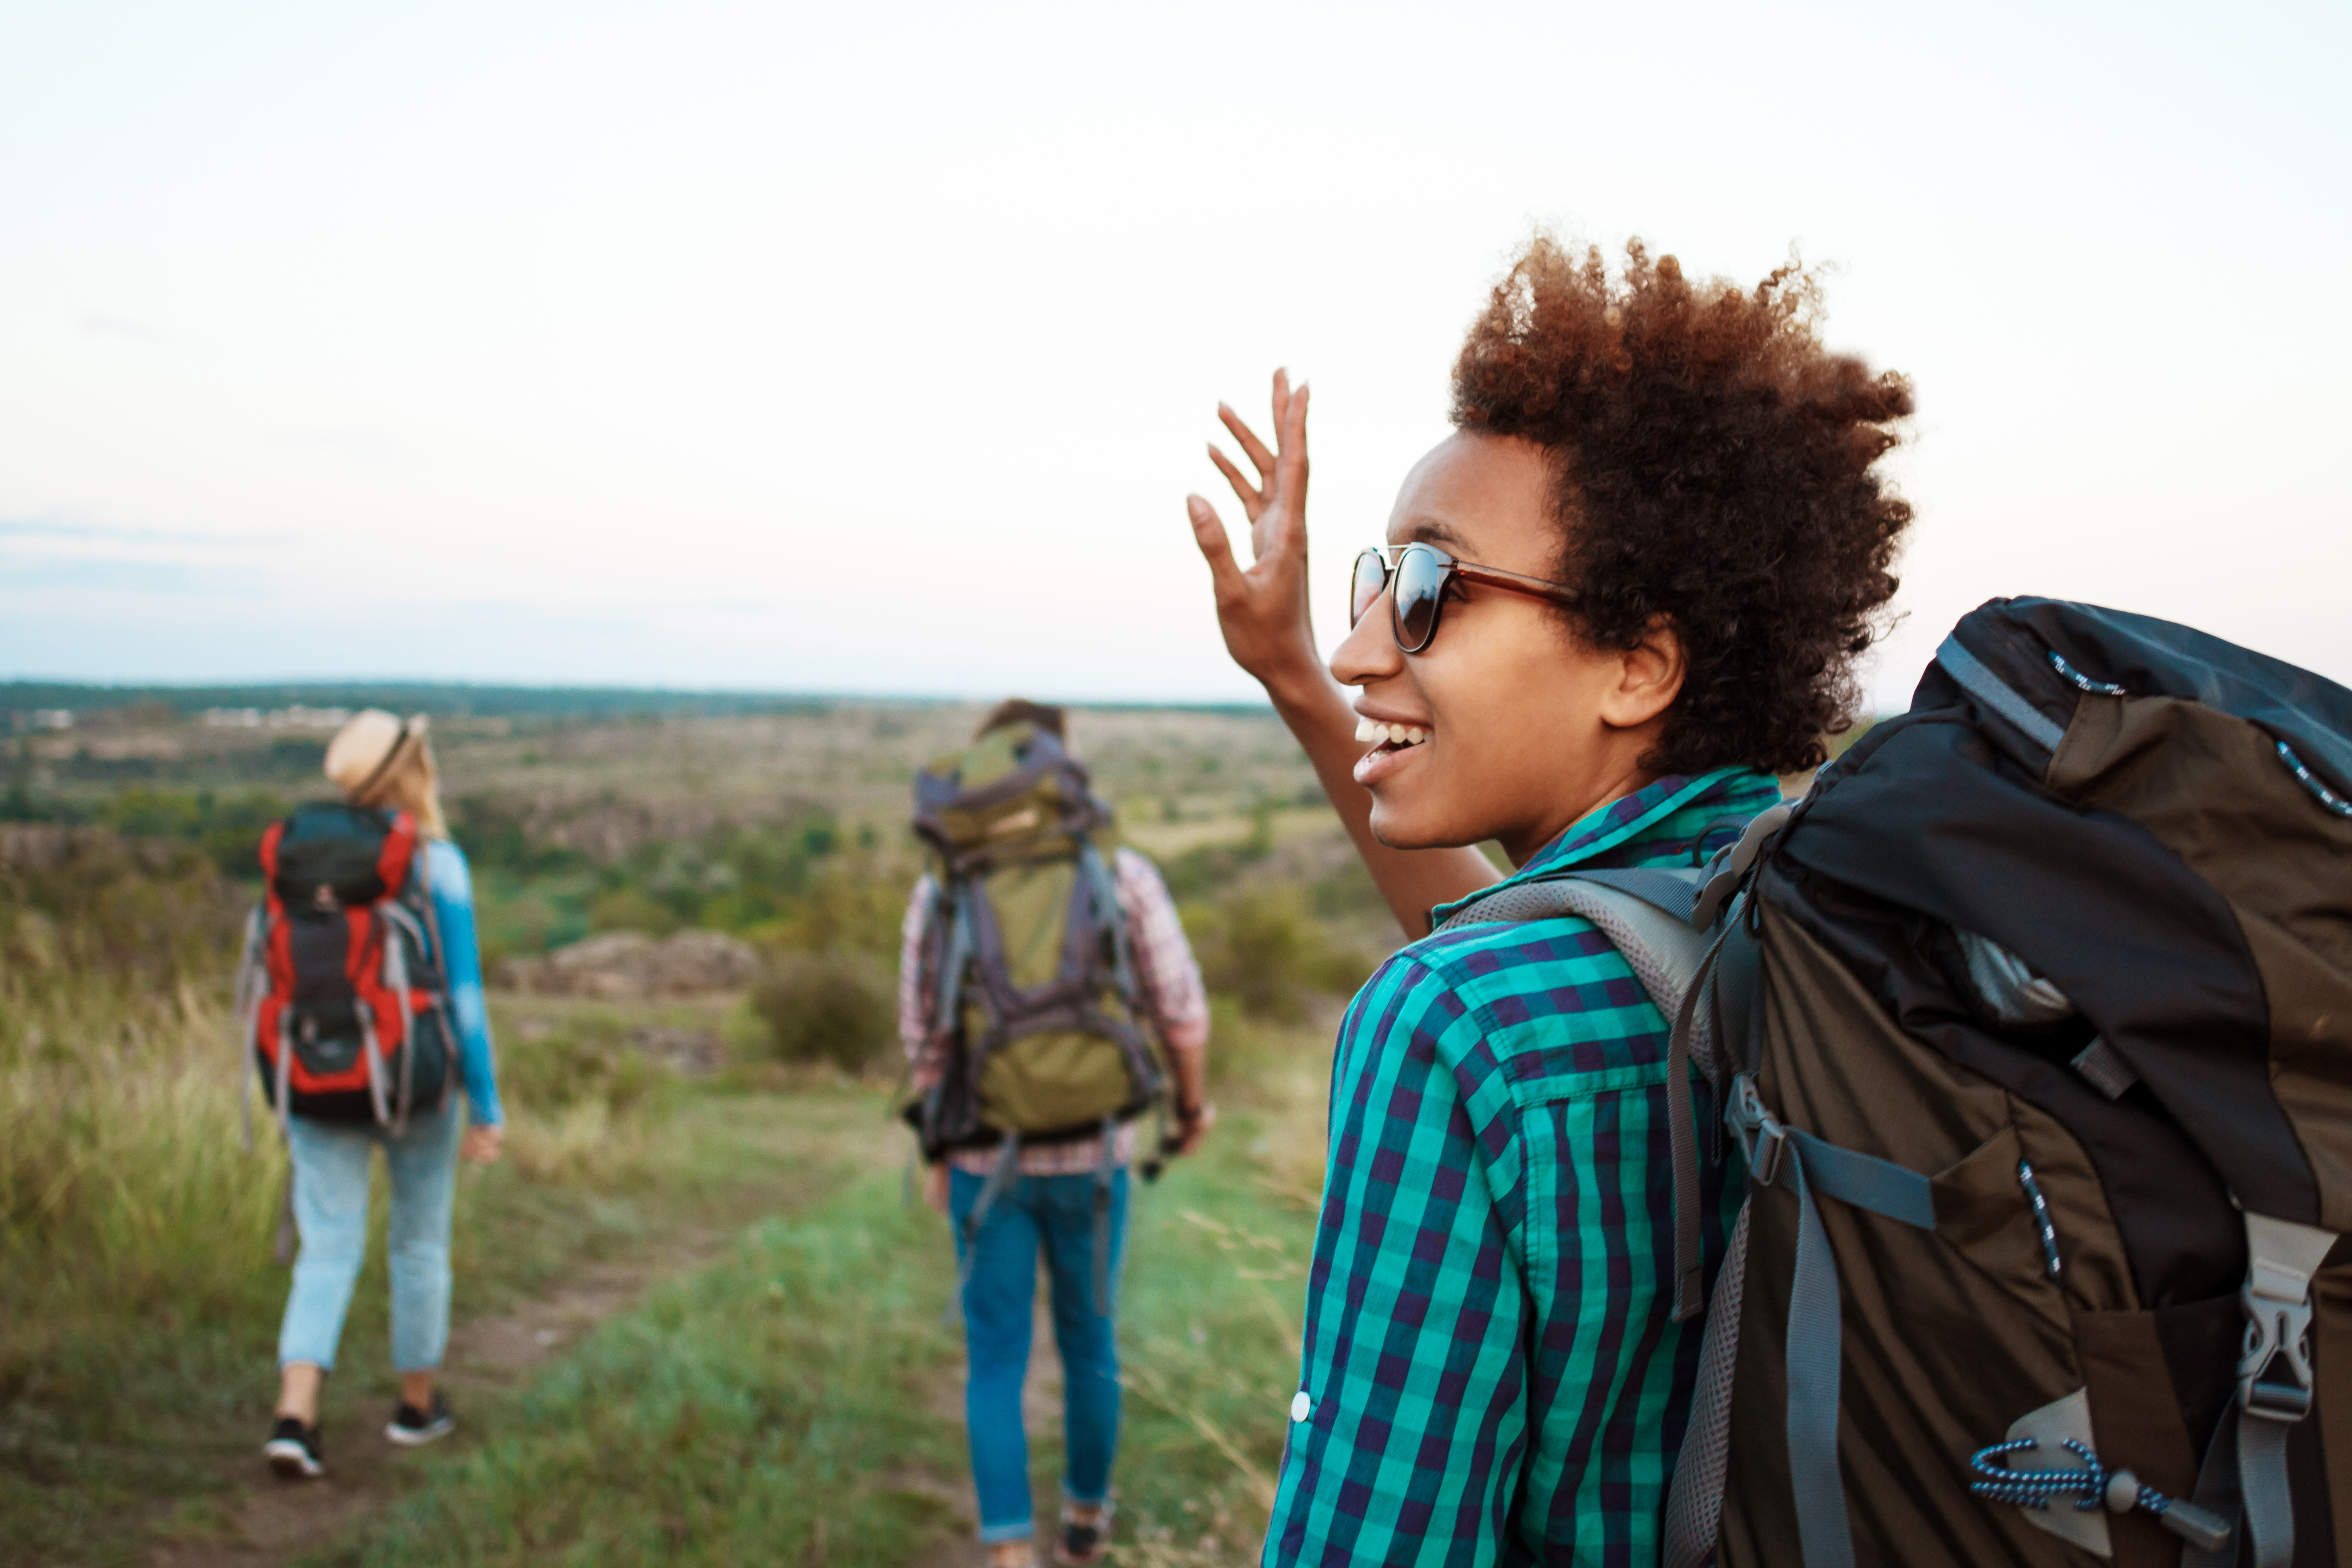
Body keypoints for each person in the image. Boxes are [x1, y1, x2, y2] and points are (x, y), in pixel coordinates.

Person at [1184, 237, 1914, 1563]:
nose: (1361, 650)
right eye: (1374, 581)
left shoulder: (1457, 1028)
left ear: (1636, 667)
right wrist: (1289, 670)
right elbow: (1536, 949)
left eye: (1428, 592)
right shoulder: (1823, 917)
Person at [899, 699, 1215, 1568]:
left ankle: (1008, 1553)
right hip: (1099, 1155)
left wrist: (934, 1152)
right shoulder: (1123, 875)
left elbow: (924, 1043)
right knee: (1089, 1343)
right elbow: (1182, 1016)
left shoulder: (942, 890)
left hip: (980, 1159)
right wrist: (1191, 1111)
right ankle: (1084, 1529)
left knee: (995, 1354)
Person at [262, 710, 505, 1479]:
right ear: (413, 771)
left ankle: (295, 1416)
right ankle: (415, 1406)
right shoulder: (439, 866)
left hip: (311, 1079)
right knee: (419, 1242)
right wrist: (487, 1106)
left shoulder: (298, 863)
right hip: (413, 1084)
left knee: (326, 1246)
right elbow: (465, 1001)